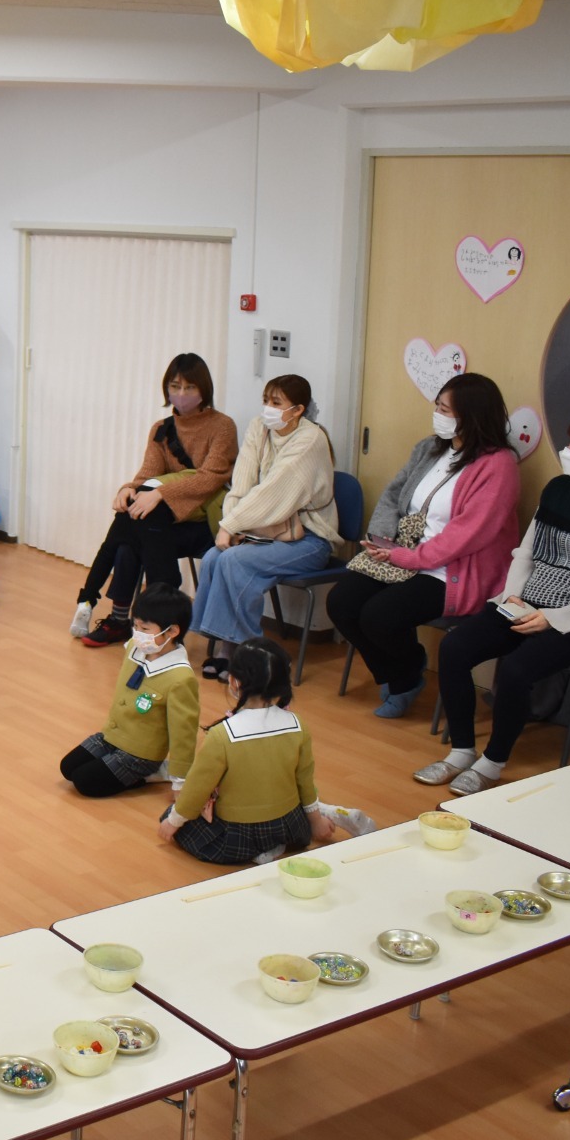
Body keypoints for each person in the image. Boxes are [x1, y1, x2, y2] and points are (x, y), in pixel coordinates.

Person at [416, 411, 570, 794]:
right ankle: (461, 751)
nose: (568, 450)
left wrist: (554, 619)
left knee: (516, 669)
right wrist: (513, 596)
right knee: (455, 648)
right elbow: (526, 552)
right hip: (527, 599)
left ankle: (492, 764)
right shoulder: (559, 489)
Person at [326, 373, 520, 718]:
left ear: (472, 415)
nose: (438, 415)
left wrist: (407, 557)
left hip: (451, 570)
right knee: (341, 602)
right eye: (438, 406)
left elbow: (467, 535)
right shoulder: (430, 448)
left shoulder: (498, 465)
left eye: (446, 410)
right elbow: (393, 494)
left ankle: (404, 678)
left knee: (380, 615)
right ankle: (402, 672)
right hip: (403, 553)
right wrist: (383, 539)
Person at [158, 639, 374, 865]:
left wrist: (173, 821)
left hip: (239, 834)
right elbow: (304, 781)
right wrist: (315, 821)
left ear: (234, 681)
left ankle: (260, 851)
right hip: (290, 826)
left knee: (175, 818)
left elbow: (196, 789)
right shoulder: (298, 724)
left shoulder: (222, 735)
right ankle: (282, 840)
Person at [73, 354, 239, 646]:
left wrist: (161, 493)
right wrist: (128, 489)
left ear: (204, 390)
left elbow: (211, 478)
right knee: (134, 529)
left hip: (204, 522)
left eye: (190, 387)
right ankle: (157, 622)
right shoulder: (161, 428)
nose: (181, 394)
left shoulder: (222, 426)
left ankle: (107, 609)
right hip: (166, 521)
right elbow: (148, 474)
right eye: (175, 386)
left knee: (137, 531)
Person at [190, 375, 338, 679]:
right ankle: (228, 648)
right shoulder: (260, 427)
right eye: (266, 400)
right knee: (214, 557)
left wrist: (230, 525)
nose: (267, 408)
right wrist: (232, 526)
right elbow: (241, 484)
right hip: (267, 531)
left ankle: (250, 653)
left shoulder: (311, 439)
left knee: (233, 560)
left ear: (298, 410)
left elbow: (273, 491)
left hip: (310, 540)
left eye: (276, 402)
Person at [60, 587, 201, 798]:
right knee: (68, 767)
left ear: (172, 631)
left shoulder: (181, 678)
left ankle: (149, 773)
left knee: (84, 782)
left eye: (144, 628)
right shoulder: (135, 647)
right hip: (112, 736)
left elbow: (184, 734)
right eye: (135, 625)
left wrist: (180, 781)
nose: (137, 633)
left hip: (140, 754)